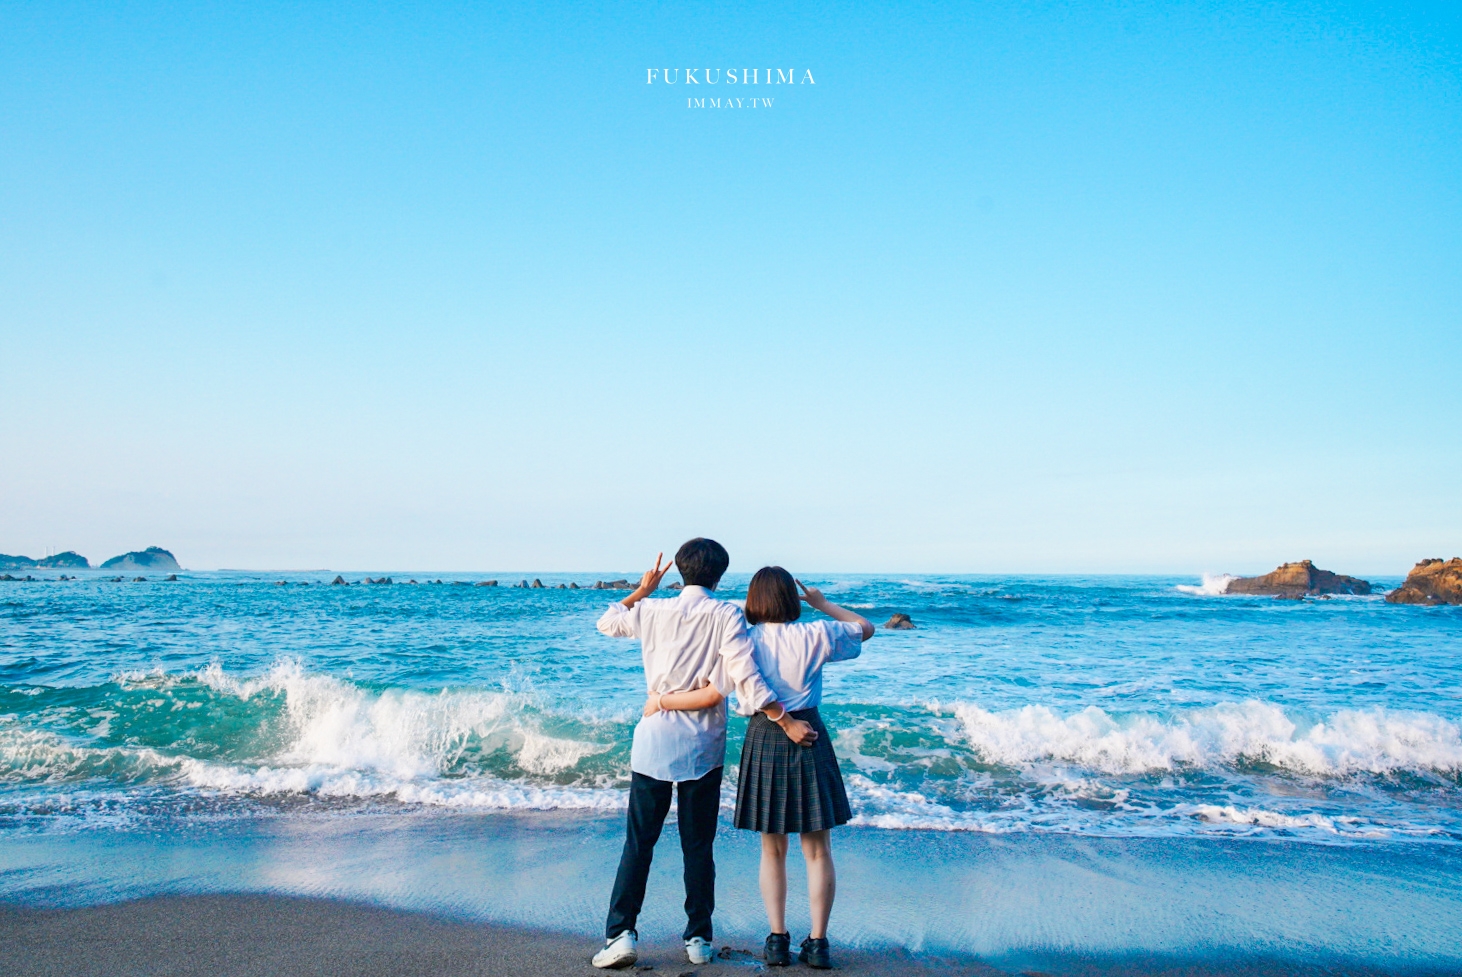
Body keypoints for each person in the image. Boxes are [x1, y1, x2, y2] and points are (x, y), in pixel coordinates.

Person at [591, 539, 818, 970]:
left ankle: (620, 934)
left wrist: (641, 590)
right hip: (702, 746)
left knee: (638, 843)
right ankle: (698, 938)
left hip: (653, 740)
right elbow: (742, 674)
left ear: (679, 571)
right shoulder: (726, 613)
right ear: (720, 574)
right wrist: (783, 717)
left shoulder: (652, 610)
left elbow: (607, 621)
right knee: (698, 845)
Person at [652, 566, 872, 969]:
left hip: (764, 733)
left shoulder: (744, 641)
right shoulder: (817, 634)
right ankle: (819, 944)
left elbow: (715, 688)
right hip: (808, 730)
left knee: (772, 848)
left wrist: (663, 700)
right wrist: (822, 604)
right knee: (818, 849)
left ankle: (776, 940)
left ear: (753, 601)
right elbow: (865, 628)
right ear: (791, 599)